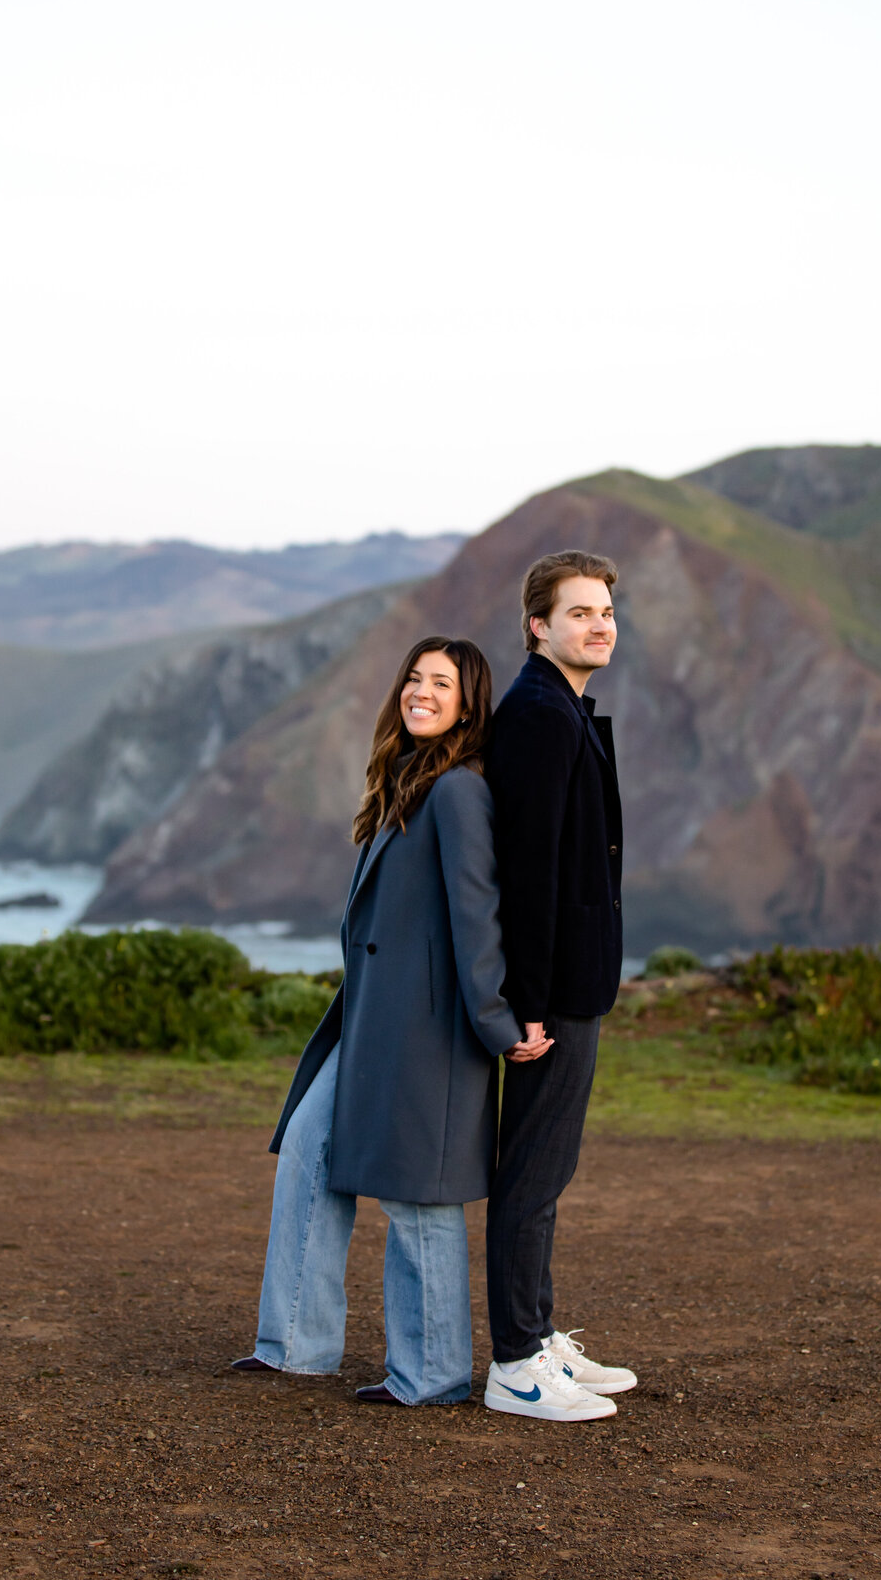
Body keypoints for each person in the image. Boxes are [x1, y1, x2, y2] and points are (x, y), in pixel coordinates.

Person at [230, 637, 537, 1406]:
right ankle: (296, 1345)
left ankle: (430, 1376)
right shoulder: (406, 777)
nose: (420, 691)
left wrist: (498, 1025)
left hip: (428, 1030)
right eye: (413, 677)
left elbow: (478, 916)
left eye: (442, 682)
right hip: (370, 1018)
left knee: (418, 1195)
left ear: (469, 703)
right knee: (308, 1147)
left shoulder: (460, 789)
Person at [482, 550, 636, 1422]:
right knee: (533, 1175)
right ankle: (515, 1365)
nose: (601, 623)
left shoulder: (563, 709)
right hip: (554, 991)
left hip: (573, 980)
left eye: (607, 609)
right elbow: (528, 868)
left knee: (550, 1168)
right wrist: (528, 999)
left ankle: (537, 1339)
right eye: (580, 612)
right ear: (539, 625)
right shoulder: (540, 715)